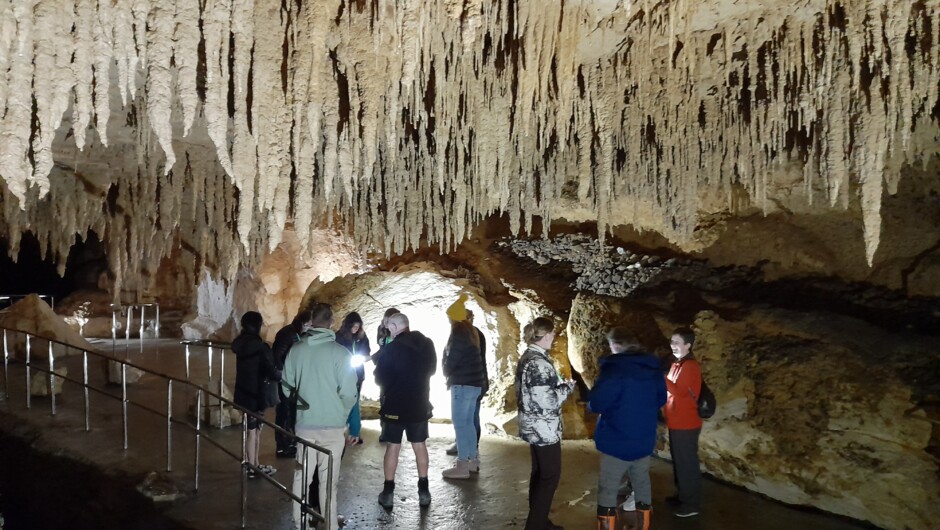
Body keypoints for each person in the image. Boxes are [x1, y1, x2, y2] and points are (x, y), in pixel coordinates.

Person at [281, 303, 359, 530]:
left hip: (305, 424)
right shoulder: (340, 353)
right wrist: (341, 415)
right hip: (333, 427)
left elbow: (286, 388)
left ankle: (299, 522)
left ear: (311, 321)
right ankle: (330, 524)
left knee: (302, 476)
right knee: (328, 482)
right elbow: (349, 394)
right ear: (332, 323)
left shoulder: (296, 350)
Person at [588, 327, 667, 530]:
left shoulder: (614, 371)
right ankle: (643, 526)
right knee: (641, 481)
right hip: (643, 438)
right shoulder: (652, 369)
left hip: (617, 439)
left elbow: (597, 403)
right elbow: (660, 399)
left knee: (608, 487)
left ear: (615, 345)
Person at [515, 317, 575, 530]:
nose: (553, 338)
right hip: (543, 428)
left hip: (533, 424)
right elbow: (547, 401)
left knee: (540, 473)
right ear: (545, 334)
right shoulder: (539, 362)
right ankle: (535, 525)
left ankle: (541, 521)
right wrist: (566, 388)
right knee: (550, 475)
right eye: (551, 334)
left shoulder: (529, 356)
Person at [373, 312, 437, 508]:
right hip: (419, 403)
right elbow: (432, 370)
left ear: (393, 327)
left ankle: (388, 492)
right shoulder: (427, 343)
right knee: (420, 445)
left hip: (395, 404)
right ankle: (424, 491)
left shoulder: (392, 349)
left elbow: (379, 378)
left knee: (393, 445)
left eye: (387, 326)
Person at [441, 295, 486, 479]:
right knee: (468, 424)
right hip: (474, 384)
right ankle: (472, 461)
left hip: (462, 384)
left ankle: (462, 466)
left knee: (460, 424)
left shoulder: (458, 334)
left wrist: (444, 366)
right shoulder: (471, 333)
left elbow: (451, 362)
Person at [232, 311, 279, 478]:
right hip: (257, 394)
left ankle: (252, 463)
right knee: (254, 430)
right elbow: (271, 372)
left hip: (242, 392)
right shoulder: (260, 347)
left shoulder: (240, 344)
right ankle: (253, 466)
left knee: (251, 429)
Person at [663, 327, 702, 518]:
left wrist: (661, 378)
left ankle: (691, 504)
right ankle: (682, 495)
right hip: (676, 422)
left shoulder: (690, 366)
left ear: (688, 345)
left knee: (687, 464)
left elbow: (678, 391)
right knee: (679, 463)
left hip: (686, 423)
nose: (673, 346)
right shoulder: (676, 364)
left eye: (677, 343)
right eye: (672, 342)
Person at [272, 308, 315, 458]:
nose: (309, 327)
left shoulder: (298, 335)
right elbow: (278, 356)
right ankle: (282, 445)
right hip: (286, 380)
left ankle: (290, 442)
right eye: (308, 324)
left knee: (292, 412)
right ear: (302, 322)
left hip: (295, 380)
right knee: (284, 412)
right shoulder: (288, 334)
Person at [446, 308, 488, 457]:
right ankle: (470, 453)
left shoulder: (462, 334)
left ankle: (466, 458)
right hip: (476, 381)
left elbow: (453, 359)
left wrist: (446, 370)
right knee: (470, 420)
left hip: (464, 382)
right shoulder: (473, 334)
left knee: (465, 421)